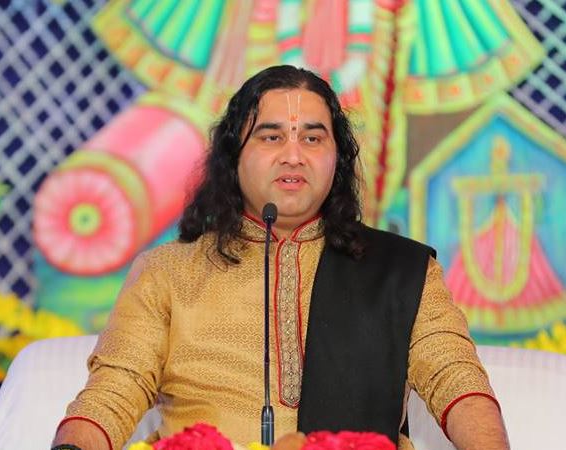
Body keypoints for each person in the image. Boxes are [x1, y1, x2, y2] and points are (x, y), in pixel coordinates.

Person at [52, 65, 509, 450]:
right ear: (234, 157)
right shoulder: (167, 273)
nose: (293, 156)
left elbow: (458, 383)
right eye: (271, 137)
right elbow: (112, 396)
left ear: (337, 159)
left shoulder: (401, 272)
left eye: (313, 139)